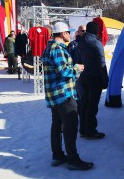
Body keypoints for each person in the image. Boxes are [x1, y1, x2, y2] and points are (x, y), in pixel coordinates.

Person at [41, 21, 93, 171]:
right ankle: (73, 159)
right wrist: (76, 68)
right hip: (63, 94)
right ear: (63, 34)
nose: (70, 35)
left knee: (57, 125)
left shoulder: (49, 48)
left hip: (55, 95)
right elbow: (63, 72)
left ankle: (57, 155)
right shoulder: (57, 49)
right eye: (68, 32)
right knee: (70, 127)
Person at [77, 22, 108, 139]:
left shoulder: (81, 41)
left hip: (84, 76)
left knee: (85, 103)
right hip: (95, 77)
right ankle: (90, 130)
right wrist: (105, 80)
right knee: (92, 105)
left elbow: (80, 60)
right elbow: (101, 63)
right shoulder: (96, 42)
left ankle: (83, 130)